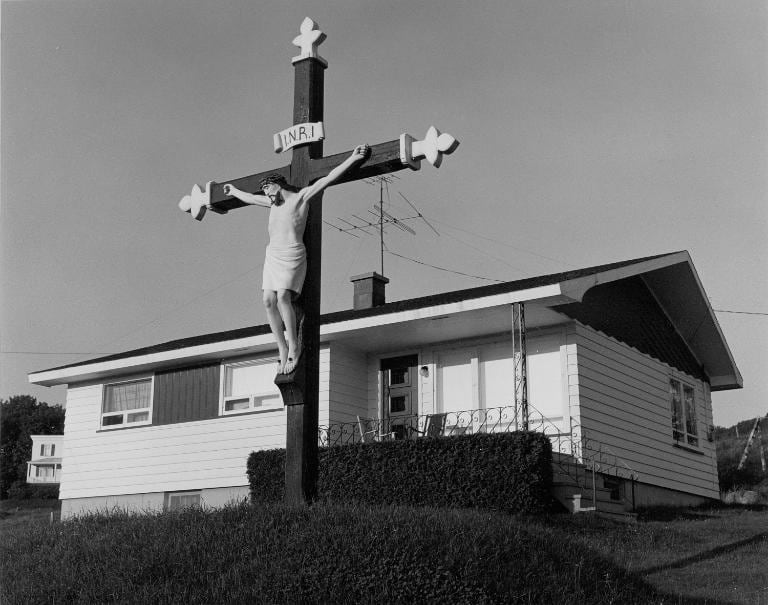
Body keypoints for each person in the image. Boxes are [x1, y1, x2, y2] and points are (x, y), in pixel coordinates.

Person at [223, 144, 370, 374]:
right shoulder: (271, 203)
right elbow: (250, 198)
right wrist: (233, 192)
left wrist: (352, 159)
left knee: (283, 296)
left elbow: (328, 178)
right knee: (267, 301)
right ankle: (281, 349)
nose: (267, 195)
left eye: (269, 189)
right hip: (273, 255)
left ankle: (293, 347)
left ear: (278, 185)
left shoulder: (301, 197)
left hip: (292, 253)